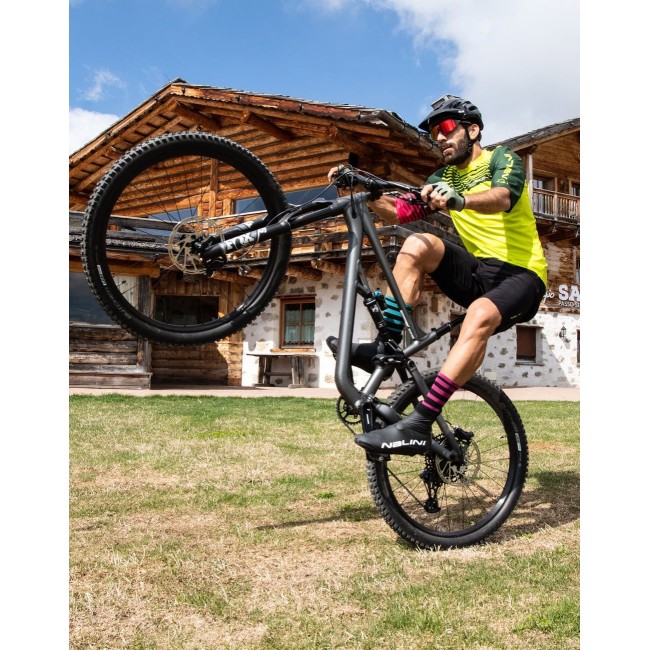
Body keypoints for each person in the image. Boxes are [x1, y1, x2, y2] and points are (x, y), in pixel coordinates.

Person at [326, 95, 548, 455]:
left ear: (472, 131)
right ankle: (386, 344)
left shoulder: (500, 159)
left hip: (522, 275)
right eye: (434, 133)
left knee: (479, 314)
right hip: (478, 272)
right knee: (418, 243)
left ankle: (420, 421)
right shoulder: (441, 178)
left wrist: (459, 199)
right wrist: (360, 190)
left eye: (446, 128)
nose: (440, 137)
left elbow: (503, 197)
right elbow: (399, 212)